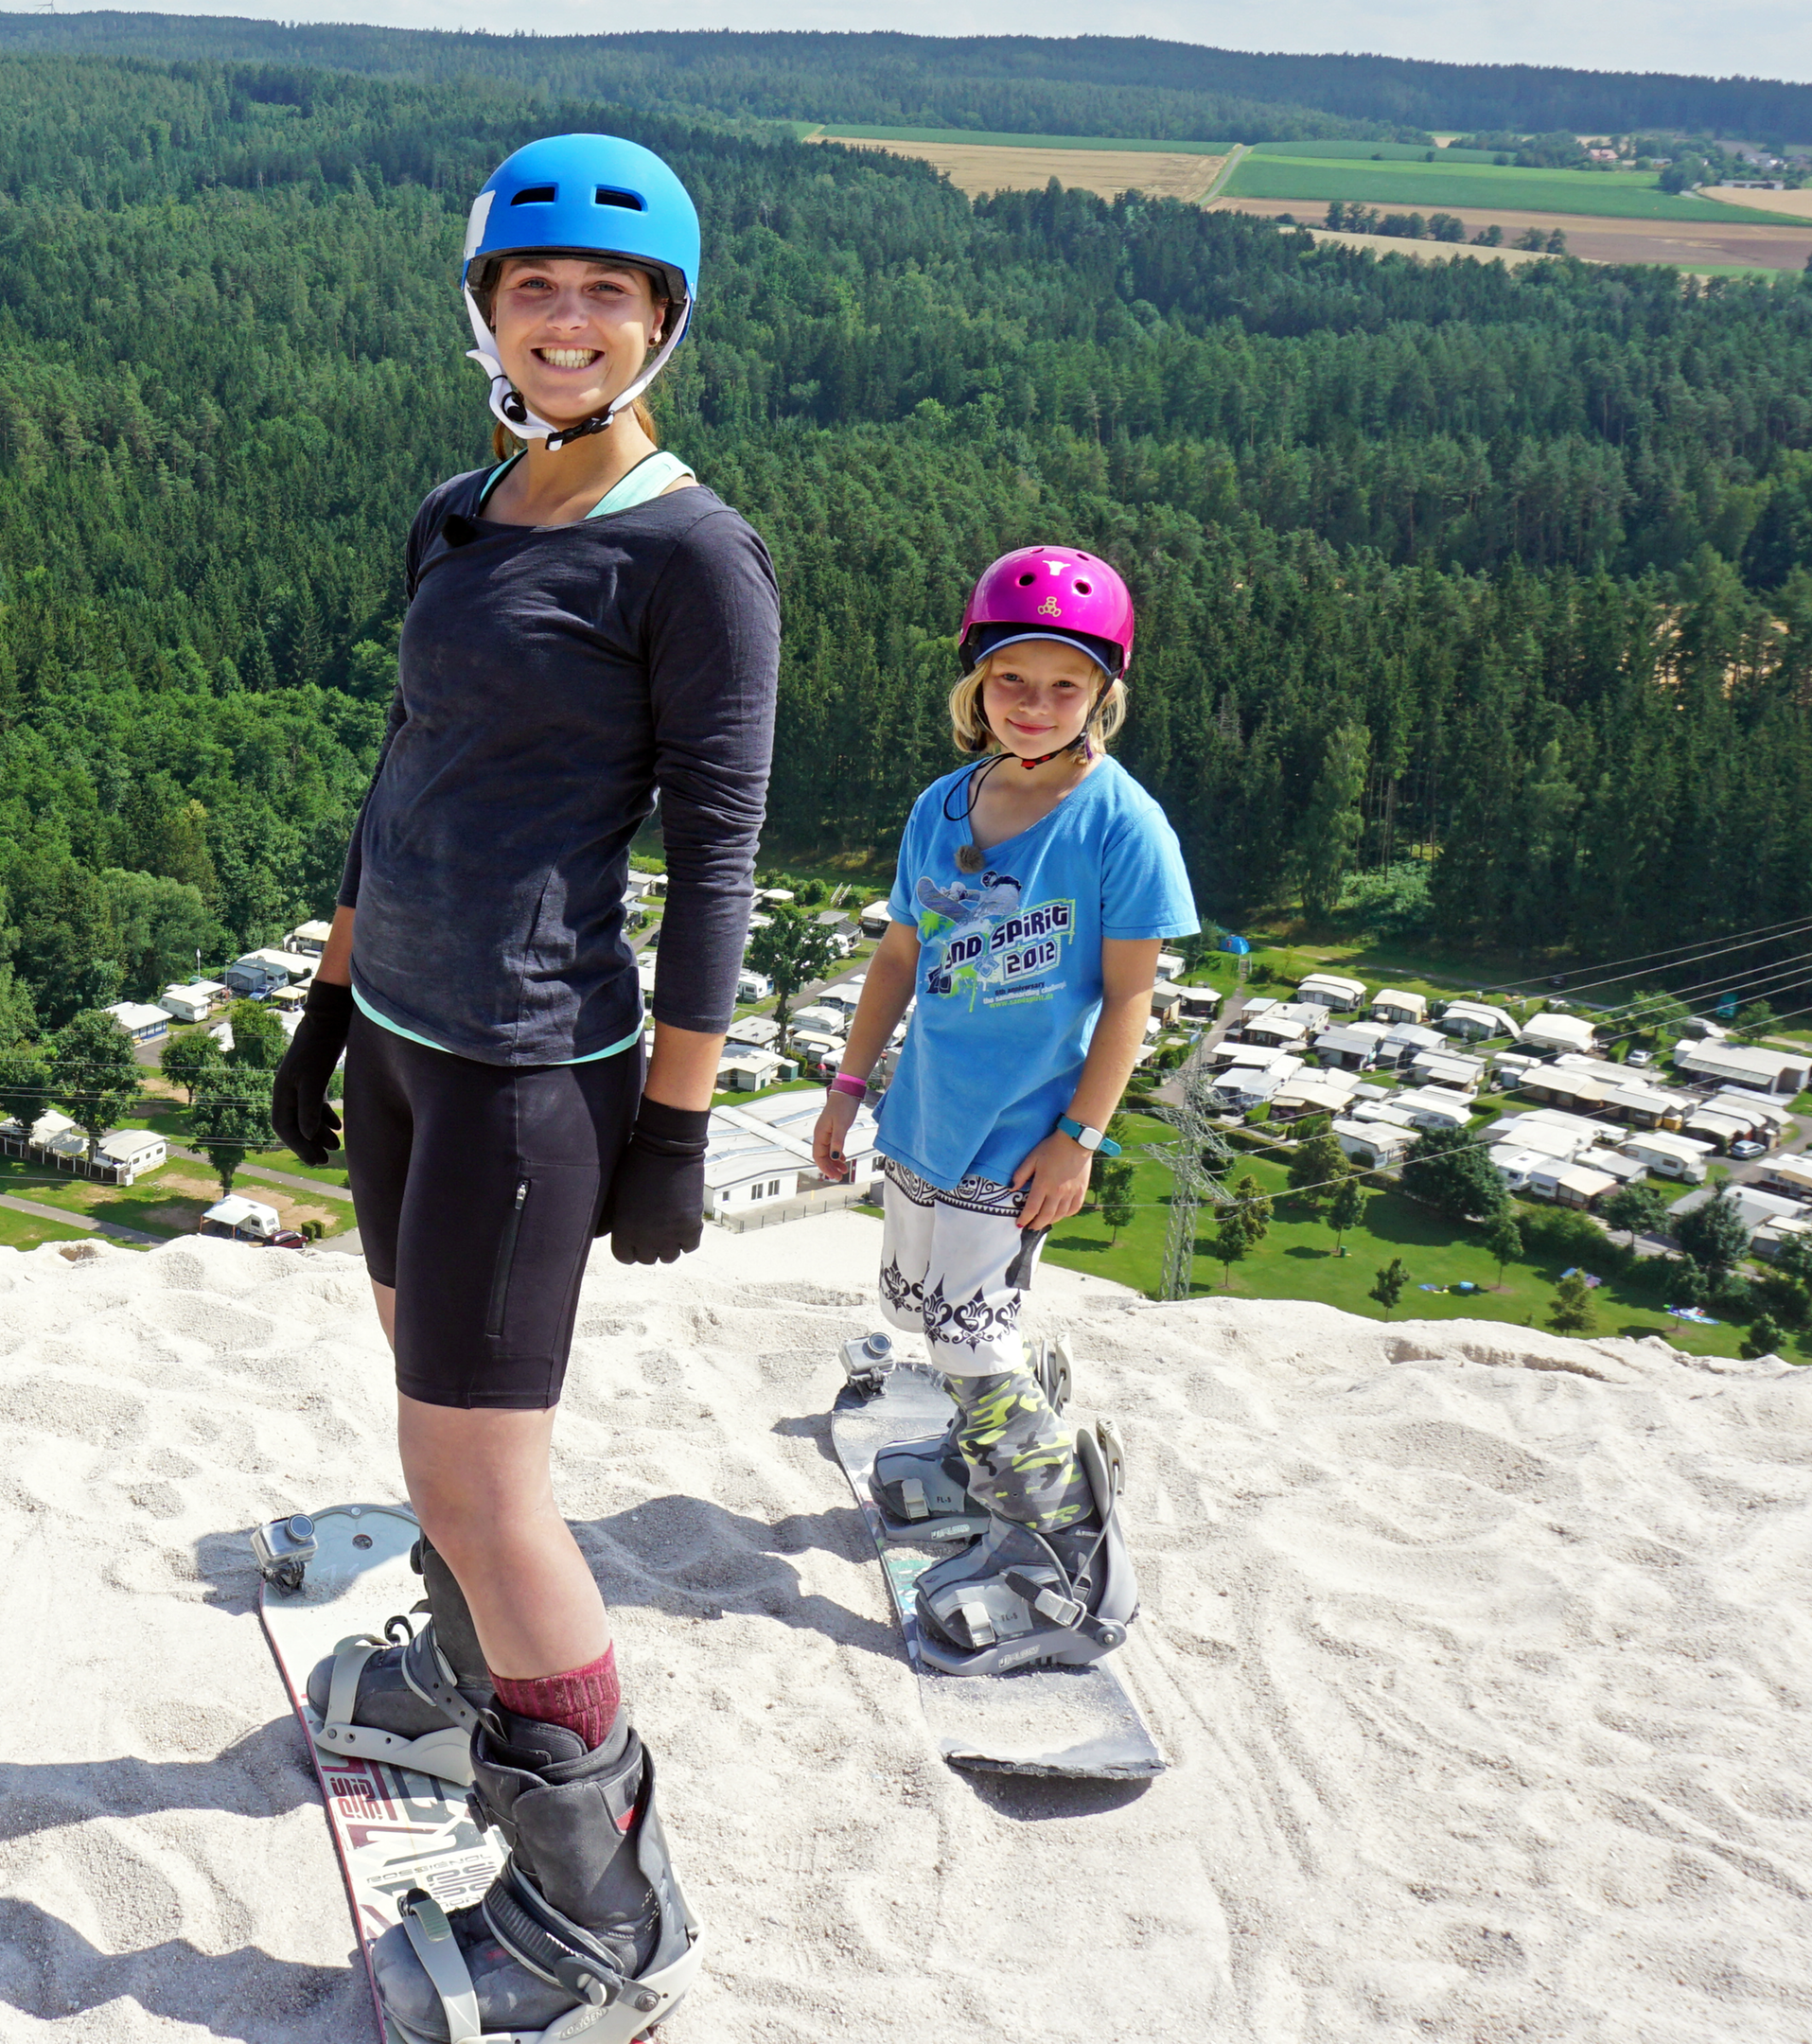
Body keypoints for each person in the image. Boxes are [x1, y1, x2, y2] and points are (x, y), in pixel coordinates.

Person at [266, 133, 770, 2044]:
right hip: (402, 1037)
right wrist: (327, 1005)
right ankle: (476, 1704)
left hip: (526, 1069)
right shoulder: (462, 513)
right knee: (435, 1462)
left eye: (607, 299)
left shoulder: (695, 558)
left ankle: (595, 1913)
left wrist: (677, 1119)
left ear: (662, 327)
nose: (570, 323)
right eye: (536, 292)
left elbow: (719, 853)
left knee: (491, 1488)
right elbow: (401, 780)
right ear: (490, 313)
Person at [808, 546, 1196, 1675]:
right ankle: (986, 1448)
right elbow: (898, 955)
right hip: (930, 1114)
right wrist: (847, 1085)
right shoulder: (944, 805)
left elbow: (1131, 1000)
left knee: (971, 1338)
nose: (1035, 706)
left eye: (1064, 686)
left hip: (1023, 1132)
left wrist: (1079, 1140)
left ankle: (1068, 1560)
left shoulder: (1120, 826)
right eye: (1012, 682)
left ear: (1104, 695)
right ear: (975, 684)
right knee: (929, 1305)